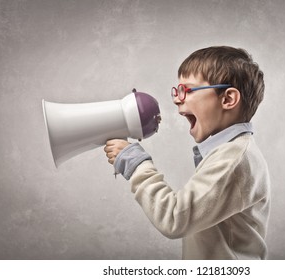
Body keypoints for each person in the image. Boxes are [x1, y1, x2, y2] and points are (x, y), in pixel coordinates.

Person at [104, 46, 270, 260]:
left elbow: (174, 218)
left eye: (187, 90)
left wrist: (136, 164)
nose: (176, 99)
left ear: (228, 99)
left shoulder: (233, 159)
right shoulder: (232, 152)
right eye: (177, 90)